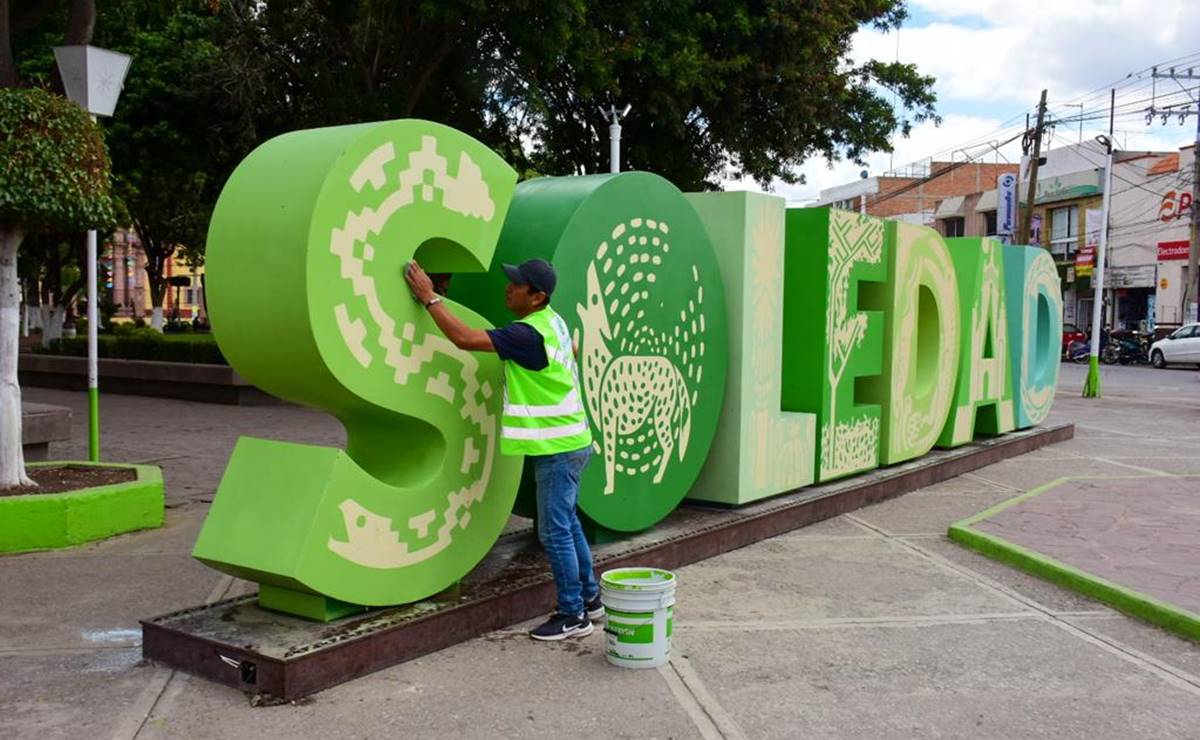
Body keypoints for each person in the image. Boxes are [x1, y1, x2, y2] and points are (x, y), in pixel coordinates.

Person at [403, 258, 602, 641]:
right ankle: (590, 599)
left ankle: (573, 614)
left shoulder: (527, 335)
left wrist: (430, 298)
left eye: (517, 285)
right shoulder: (553, 322)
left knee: (555, 532)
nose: (508, 288)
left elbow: (464, 339)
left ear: (537, 296)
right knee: (568, 524)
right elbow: (570, 353)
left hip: (558, 448)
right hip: (572, 441)